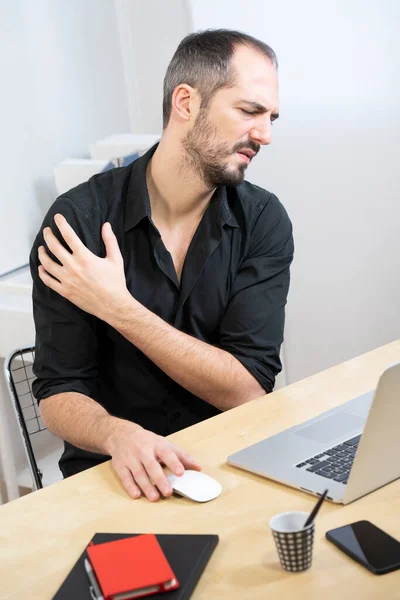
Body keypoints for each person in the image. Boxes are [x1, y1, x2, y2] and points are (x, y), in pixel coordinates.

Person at [30, 29, 294, 502]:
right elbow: (57, 393)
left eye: (271, 117)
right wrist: (116, 435)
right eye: (250, 111)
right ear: (186, 102)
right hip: (112, 475)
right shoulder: (80, 222)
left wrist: (119, 308)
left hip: (228, 463)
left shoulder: (262, 220)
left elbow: (248, 390)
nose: (266, 135)